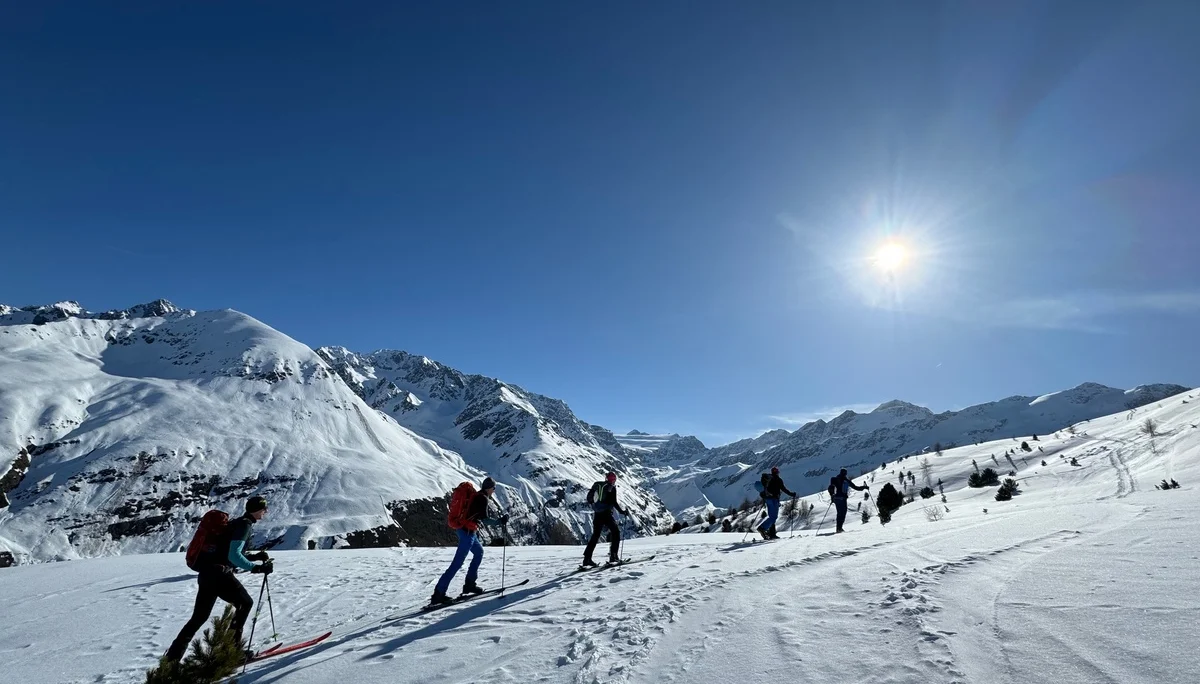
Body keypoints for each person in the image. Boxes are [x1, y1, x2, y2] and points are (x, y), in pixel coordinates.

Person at [166, 495, 273, 663]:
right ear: (258, 510)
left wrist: (255, 557)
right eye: (264, 509)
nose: (266, 512)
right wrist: (256, 568)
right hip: (220, 575)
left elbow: (225, 552)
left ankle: (171, 660)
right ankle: (232, 651)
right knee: (245, 603)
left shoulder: (237, 523)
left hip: (207, 574)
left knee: (198, 618)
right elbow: (233, 555)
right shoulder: (244, 525)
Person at [431, 477, 508, 606]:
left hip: (466, 530)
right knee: (457, 563)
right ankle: (439, 593)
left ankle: (470, 585)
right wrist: (500, 521)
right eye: (493, 488)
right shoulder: (482, 498)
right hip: (467, 532)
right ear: (489, 488)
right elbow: (485, 519)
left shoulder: (477, 496)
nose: (494, 491)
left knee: (479, 552)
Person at [582, 471, 630, 567]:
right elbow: (614, 503)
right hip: (607, 515)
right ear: (613, 480)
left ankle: (587, 559)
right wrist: (622, 512)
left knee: (595, 536)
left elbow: (591, 499)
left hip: (597, 514)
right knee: (615, 532)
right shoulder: (612, 488)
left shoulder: (599, 486)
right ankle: (613, 556)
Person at [758, 467, 796, 540]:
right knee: (773, 517)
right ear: (778, 472)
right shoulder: (778, 480)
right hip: (774, 499)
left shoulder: (768, 479)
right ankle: (762, 528)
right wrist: (791, 494)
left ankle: (772, 533)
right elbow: (783, 489)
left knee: (771, 516)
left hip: (767, 499)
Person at [830, 468, 868, 533]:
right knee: (843, 513)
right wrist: (864, 487)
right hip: (843, 499)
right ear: (845, 473)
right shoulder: (846, 481)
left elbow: (830, 487)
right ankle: (839, 528)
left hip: (836, 499)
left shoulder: (835, 479)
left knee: (839, 513)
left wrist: (832, 495)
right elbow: (856, 487)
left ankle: (838, 528)